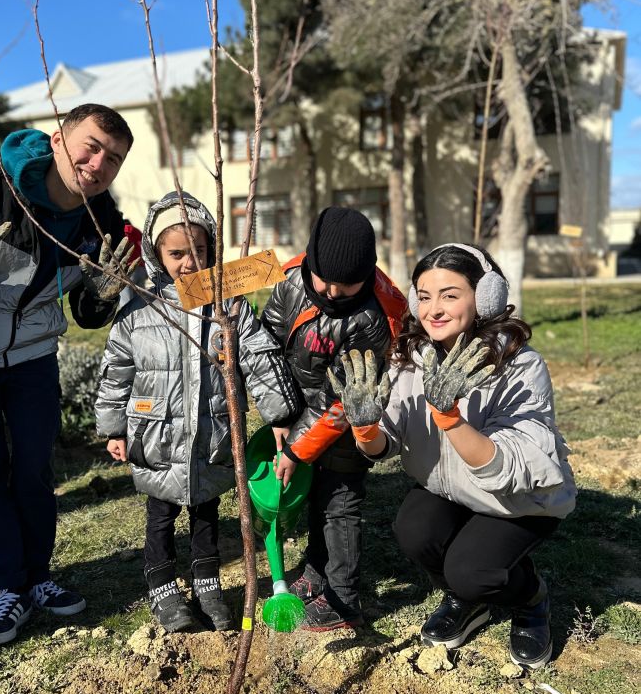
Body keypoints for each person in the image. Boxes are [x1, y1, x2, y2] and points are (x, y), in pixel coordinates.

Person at [0, 104, 138, 647]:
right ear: (58, 139)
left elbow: (86, 313)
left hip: (33, 357)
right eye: (91, 146)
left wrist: (103, 294)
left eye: (114, 158)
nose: (99, 163)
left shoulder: (101, 219)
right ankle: (6, 589)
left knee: (35, 470)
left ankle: (38, 578)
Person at [330, 242, 576, 669]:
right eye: (424, 297)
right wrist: (366, 427)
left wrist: (449, 418)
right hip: (453, 489)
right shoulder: (413, 357)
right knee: (414, 530)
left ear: (484, 299)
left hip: (517, 502)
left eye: (450, 295)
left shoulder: (520, 365)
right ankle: (468, 602)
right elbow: (384, 443)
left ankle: (530, 598)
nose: (433, 310)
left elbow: (514, 466)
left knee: (472, 570)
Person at [95, 191, 301, 632]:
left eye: (200, 251)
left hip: (213, 434)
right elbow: (117, 367)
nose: (190, 263)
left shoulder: (227, 302)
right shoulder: (138, 305)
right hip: (157, 435)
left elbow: (258, 355)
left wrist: (279, 415)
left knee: (207, 510)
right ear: (155, 253)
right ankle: (163, 586)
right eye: (177, 254)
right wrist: (113, 427)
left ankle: (207, 581)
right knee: (161, 514)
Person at [260, 206, 407, 631]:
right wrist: (278, 410)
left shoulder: (375, 319)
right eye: (324, 279)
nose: (333, 291)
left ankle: (343, 598)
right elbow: (268, 338)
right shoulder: (291, 278)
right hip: (296, 409)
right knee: (313, 496)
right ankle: (316, 572)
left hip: (345, 422)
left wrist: (295, 449)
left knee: (340, 503)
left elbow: (341, 399)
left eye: (347, 284)